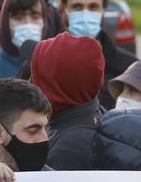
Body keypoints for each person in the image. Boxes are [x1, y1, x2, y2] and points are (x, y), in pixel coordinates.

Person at [57, 0, 137, 109]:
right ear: (64, 9)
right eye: (77, 7)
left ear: (103, 9)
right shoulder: (44, 63)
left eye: (93, 7)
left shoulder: (129, 69)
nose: (85, 13)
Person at [29, 33, 104, 171]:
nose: (31, 82)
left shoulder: (70, 147)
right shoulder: (94, 115)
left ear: (52, 81)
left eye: (37, 74)